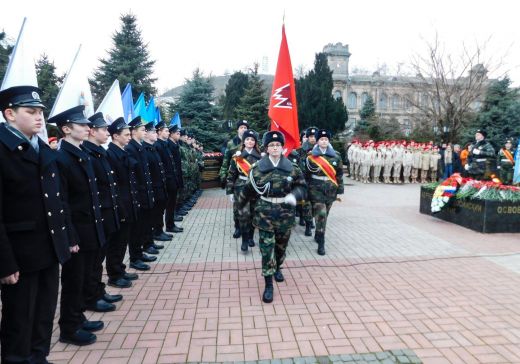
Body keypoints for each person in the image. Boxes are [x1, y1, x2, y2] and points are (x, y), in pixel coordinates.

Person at [0, 86, 72, 363]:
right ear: (9, 114)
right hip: (20, 255)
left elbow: (56, 200)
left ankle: (38, 358)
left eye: (41, 111)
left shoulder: (42, 148)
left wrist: (64, 242)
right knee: (19, 320)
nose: (39, 117)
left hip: (48, 248)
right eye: (31, 111)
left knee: (44, 313)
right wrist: (5, 263)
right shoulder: (5, 150)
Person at [51, 105, 107, 346]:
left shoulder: (81, 154)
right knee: (73, 280)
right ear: (66, 129)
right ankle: (69, 327)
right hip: (76, 230)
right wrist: (70, 236)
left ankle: (78, 317)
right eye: (82, 125)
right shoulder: (61, 158)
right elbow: (61, 201)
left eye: (88, 124)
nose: (88, 127)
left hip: (90, 226)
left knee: (83, 276)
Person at [237, 131, 306, 303]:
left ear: (282, 148)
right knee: (267, 250)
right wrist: (240, 206)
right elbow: (247, 190)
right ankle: (268, 284)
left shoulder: (293, 168)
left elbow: (303, 188)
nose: (275, 148)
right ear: (267, 148)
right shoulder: (258, 168)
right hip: (265, 213)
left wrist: (295, 196)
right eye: (271, 145)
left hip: (285, 213)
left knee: (281, 248)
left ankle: (278, 267)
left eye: (278, 145)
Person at [82, 112, 122, 312]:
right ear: (92, 131)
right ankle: (92, 296)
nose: (107, 132)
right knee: (94, 259)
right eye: (104, 129)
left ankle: (98, 291)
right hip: (98, 213)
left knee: (99, 257)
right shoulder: (88, 154)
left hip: (106, 211)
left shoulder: (99, 152)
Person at [105, 117, 140, 288]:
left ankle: (120, 269)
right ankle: (114, 274)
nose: (129, 137)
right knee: (116, 242)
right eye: (126, 134)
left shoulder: (123, 151)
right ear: (115, 136)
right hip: (120, 204)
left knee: (123, 240)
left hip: (128, 202)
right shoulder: (110, 154)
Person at [304, 129, 344, 255]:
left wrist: (340, 189)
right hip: (316, 189)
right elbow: (306, 174)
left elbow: (340, 174)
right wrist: (305, 189)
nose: (324, 141)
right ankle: (321, 243)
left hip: (331, 189)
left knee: (325, 215)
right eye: (321, 139)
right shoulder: (311, 156)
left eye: (326, 139)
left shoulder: (336, 155)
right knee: (321, 214)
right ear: (317, 141)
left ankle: (318, 233)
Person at [125, 116, 157, 271]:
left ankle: (141, 252)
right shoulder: (130, 148)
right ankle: (135, 257)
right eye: (142, 130)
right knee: (136, 228)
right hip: (138, 193)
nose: (145, 132)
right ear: (133, 132)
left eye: (145, 130)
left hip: (145, 191)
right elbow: (135, 172)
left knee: (144, 223)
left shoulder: (140, 146)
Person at [226, 129, 262, 252]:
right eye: (247, 139)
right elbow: (231, 174)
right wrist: (230, 191)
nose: (250, 141)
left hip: (255, 188)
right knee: (242, 214)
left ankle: (251, 237)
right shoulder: (237, 157)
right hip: (240, 187)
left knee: (253, 213)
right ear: (244, 141)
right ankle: (245, 240)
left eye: (252, 140)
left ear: (255, 142)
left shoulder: (261, 157)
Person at [220, 120, 249, 238]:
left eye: (245, 127)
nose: (244, 129)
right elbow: (226, 160)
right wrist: (223, 175)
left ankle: (249, 230)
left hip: (249, 178)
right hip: (237, 179)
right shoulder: (231, 143)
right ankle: (237, 227)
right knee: (237, 206)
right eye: (241, 127)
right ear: (237, 129)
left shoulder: (252, 142)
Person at [166, 124, 185, 231]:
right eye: (177, 133)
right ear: (171, 134)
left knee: (173, 201)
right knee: (170, 203)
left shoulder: (175, 144)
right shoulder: (169, 145)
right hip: (171, 177)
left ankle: (171, 223)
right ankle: (169, 224)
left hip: (176, 176)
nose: (179, 135)